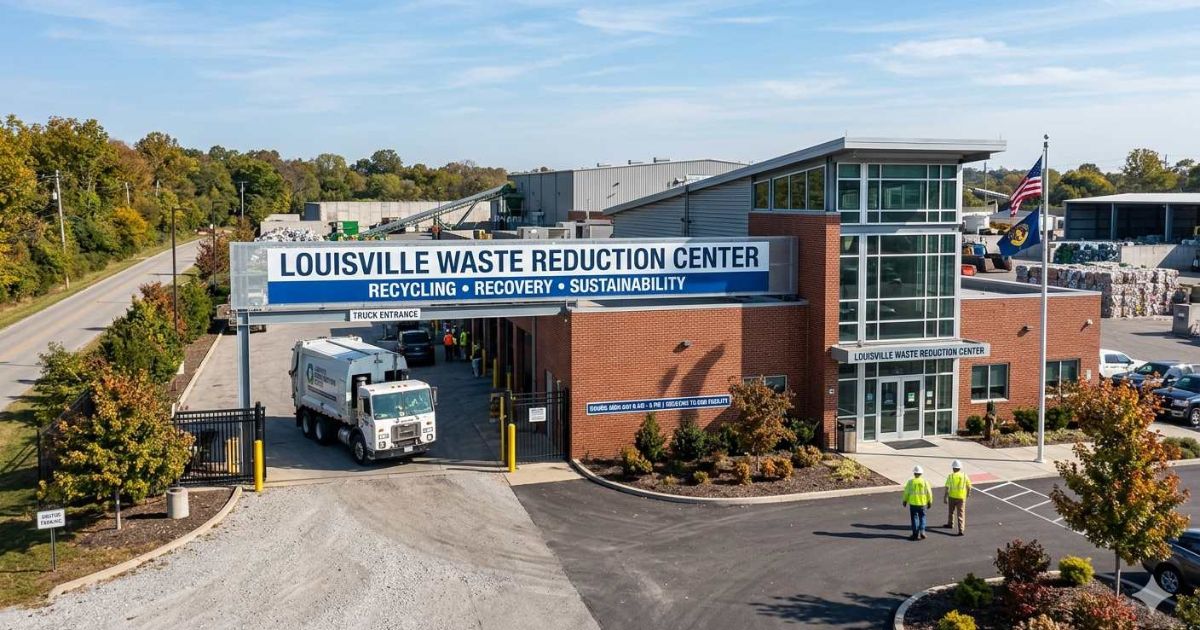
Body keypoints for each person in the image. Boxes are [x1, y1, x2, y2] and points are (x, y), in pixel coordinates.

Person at [902, 465, 934, 541]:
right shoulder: (925, 482)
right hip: (922, 504)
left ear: (914, 473)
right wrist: (930, 501)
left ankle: (915, 534)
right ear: (921, 473)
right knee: (922, 517)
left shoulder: (910, 482)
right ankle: (922, 531)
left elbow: (906, 492)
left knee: (914, 518)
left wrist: (905, 501)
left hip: (913, 504)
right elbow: (929, 492)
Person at [943, 460, 972, 536]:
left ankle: (950, 524)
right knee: (961, 514)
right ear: (960, 468)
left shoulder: (951, 476)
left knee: (951, 512)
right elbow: (969, 487)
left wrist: (945, 497)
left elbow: (947, 488)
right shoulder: (965, 476)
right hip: (961, 497)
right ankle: (961, 530)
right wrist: (968, 494)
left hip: (952, 497)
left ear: (953, 468)